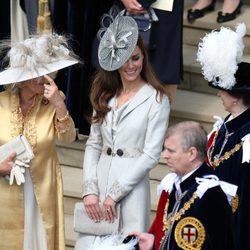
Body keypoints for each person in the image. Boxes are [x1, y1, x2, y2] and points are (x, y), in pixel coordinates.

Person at [74, 13, 170, 249]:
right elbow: (94, 144)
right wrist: (89, 190)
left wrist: (115, 193)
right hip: (99, 184)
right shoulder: (104, 94)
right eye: (124, 59)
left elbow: (150, 155)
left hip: (131, 188)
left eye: (135, 58)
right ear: (113, 61)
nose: (131, 66)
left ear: (143, 57)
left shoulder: (157, 100)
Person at [0, 33, 78, 249]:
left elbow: (69, 137)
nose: (40, 78)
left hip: (41, 188)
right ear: (20, 76)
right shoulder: (1, 102)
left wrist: (59, 104)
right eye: (34, 73)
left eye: (44, 72)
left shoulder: (52, 100)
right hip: (4, 188)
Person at [131, 121, 236, 250]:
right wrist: (153, 244)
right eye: (165, 149)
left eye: (171, 151)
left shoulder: (210, 194)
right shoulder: (174, 185)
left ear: (192, 153)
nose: (165, 155)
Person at [197, 23, 250, 250]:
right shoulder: (224, 127)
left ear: (236, 96)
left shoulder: (248, 137)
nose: (218, 93)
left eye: (222, 89)